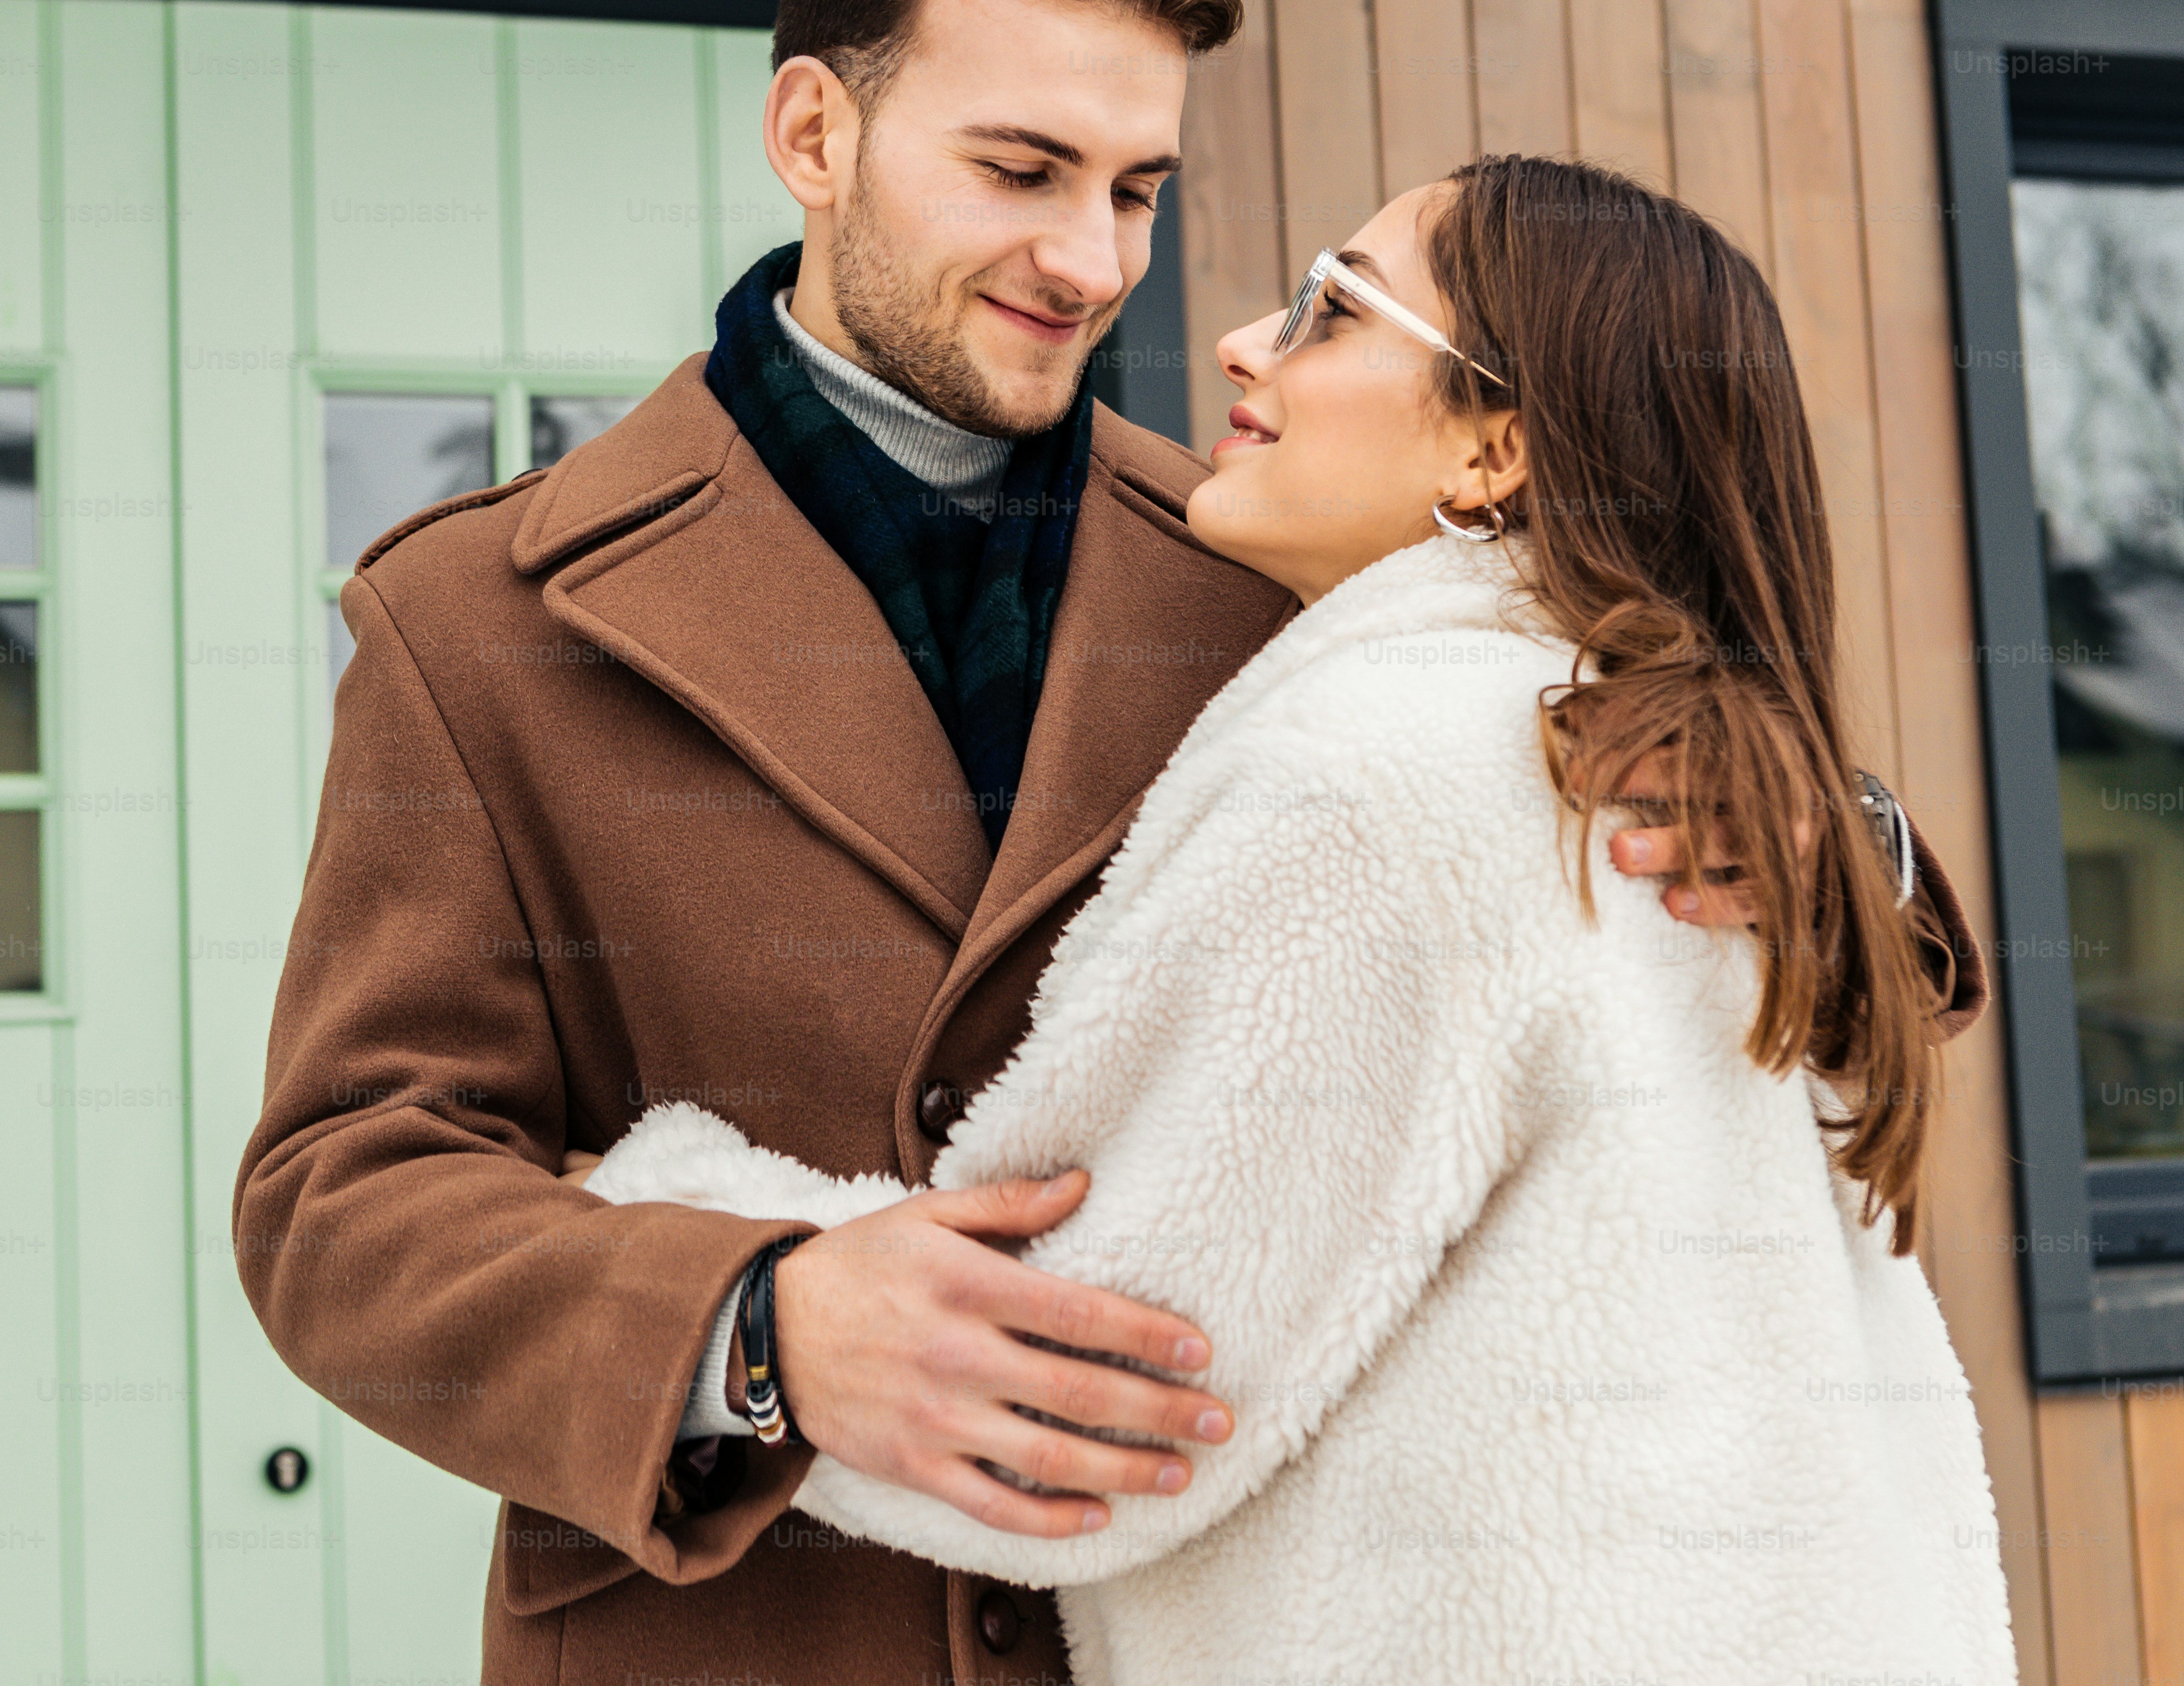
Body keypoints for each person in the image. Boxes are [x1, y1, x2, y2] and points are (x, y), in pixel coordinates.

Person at [234, 0, 1988, 1686]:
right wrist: (754, 1326)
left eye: (1137, 188)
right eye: (1021, 169)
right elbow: (346, 1195)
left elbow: (1616, 858)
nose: (1095, 261)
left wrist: (1839, 835)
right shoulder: (481, 619)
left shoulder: (1289, 575)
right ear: (814, 132)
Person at [578, 153, 2019, 1684]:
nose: (1242, 342)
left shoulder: (1388, 776)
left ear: (1495, 448)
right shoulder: (1690, 775)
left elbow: (1090, 1398)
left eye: (1333, 310)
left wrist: (654, 1210)